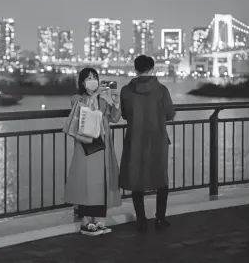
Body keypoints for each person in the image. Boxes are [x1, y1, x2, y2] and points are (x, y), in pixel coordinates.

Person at [119, 55, 175, 232]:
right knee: (161, 178)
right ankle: (160, 218)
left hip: (135, 139)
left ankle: (141, 220)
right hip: (157, 139)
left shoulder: (126, 91)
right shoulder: (162, 90)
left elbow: (126, 115)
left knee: (136, 178)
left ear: (135, 69)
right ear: (153, 68)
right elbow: (169, 113)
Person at [65, 68, 122, 236]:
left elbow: (114, 117)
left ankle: (99, 219)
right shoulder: (78, 98)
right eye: (89, 78)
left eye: (95, 78)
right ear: (82, 82)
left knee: (101, 182)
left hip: (102, 145)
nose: (92, 81)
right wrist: (94, 96)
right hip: (86, 143)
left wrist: (115, 101)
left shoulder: (103, 98)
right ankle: (85, 220)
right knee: (84, 181)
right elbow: (84, 111)